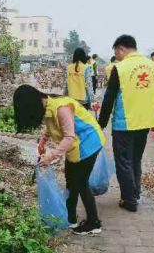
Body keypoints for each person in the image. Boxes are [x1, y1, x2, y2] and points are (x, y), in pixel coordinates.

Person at [13, 84, 106, 235]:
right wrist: (43, 140)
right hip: (75, 146)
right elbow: (50, 125)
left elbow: (68, 136)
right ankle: (70, 219)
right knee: (71, 180)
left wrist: (51, 156)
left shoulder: (61, 108)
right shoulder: (48, 105)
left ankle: (93, 223)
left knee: (81, 183)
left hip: (89, 143)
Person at [98, 35, 154, 212]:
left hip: (124, 124)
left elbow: (108, 99)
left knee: (124, 161)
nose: (116, 55)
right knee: (135, 159)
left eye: (116, 51)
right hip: (145, 123)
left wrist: (101, 123)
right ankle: (135, 192)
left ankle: (130, 200)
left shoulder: (119, 68)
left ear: (121, 48)